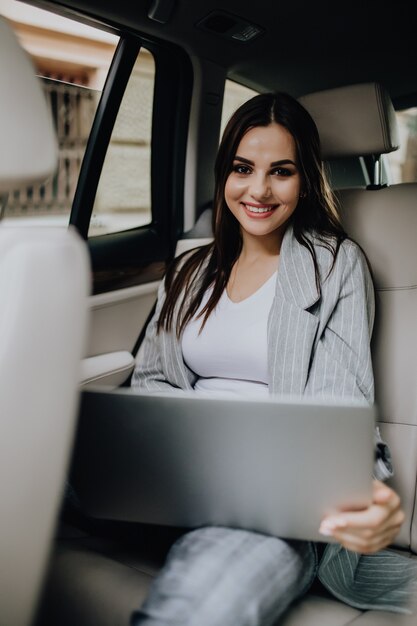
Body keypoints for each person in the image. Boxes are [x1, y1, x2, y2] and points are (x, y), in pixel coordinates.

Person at [130, 92, 416, 625]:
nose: (258, 190)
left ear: (304, 180)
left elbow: (338, 406)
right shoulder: (190, 270)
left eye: (280, 172)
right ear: (224, 175)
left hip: (274, 507)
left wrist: (358, 485)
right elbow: (149, 380)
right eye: (243, 168)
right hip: (174, 483)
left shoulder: (333, 264)